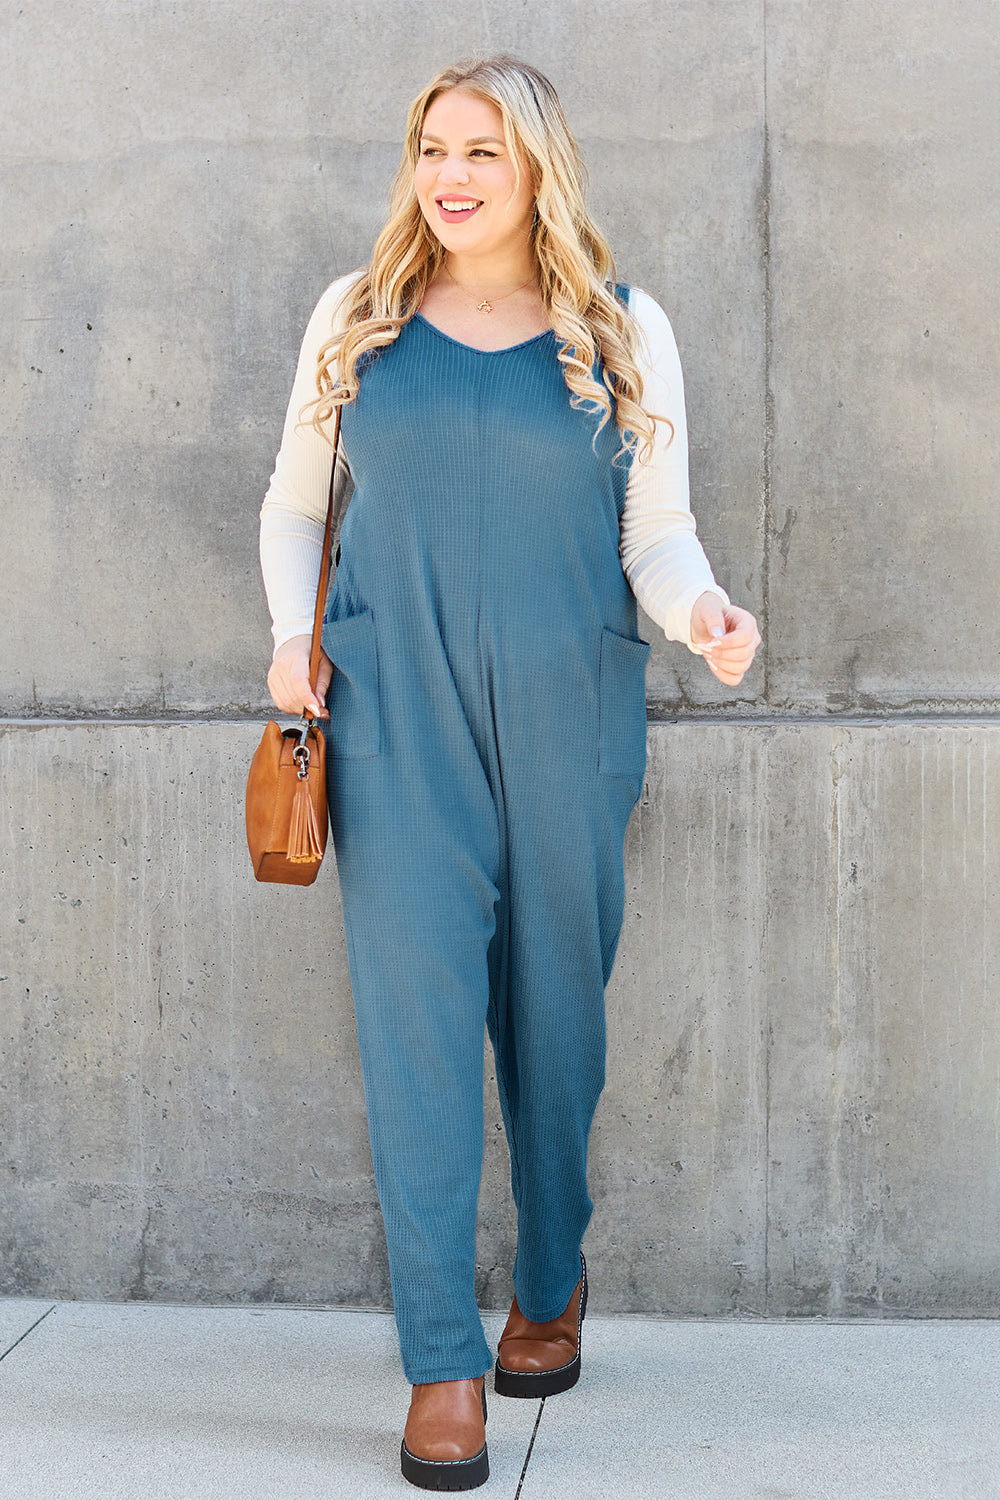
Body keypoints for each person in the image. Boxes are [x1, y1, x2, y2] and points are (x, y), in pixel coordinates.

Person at [259, 55, 761, 1492]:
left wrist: (703, 615)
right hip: (393, 719)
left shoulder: (623, 329)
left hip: (572, 711)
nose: (452, 172)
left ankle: (552, 1280)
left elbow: (656, 535)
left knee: (556, 1026)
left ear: (541, 166)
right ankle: (440, 1364)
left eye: (482, 147)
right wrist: (295, 636)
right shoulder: (354, 322)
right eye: (431, 146)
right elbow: (298, 508)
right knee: (415, 1031)